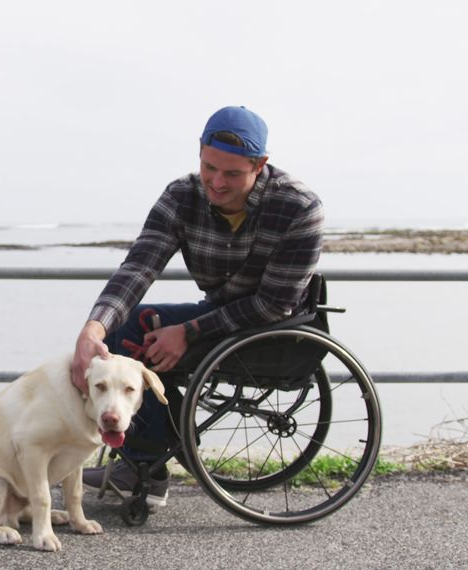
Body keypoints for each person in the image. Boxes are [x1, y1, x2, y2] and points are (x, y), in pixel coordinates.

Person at [70, 105, 324, 508]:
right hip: (218, 313)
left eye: (232, 173)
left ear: (260, 164)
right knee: (126, 330)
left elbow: (274, 304)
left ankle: (149, 458)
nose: (217, 183)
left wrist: (189, 332)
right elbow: (138, 268)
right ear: (200, 151)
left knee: (161, 337)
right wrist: (93, 329)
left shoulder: (299, 207)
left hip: (276, 327)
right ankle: (149, 462)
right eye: (209, 167)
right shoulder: (181, 195)